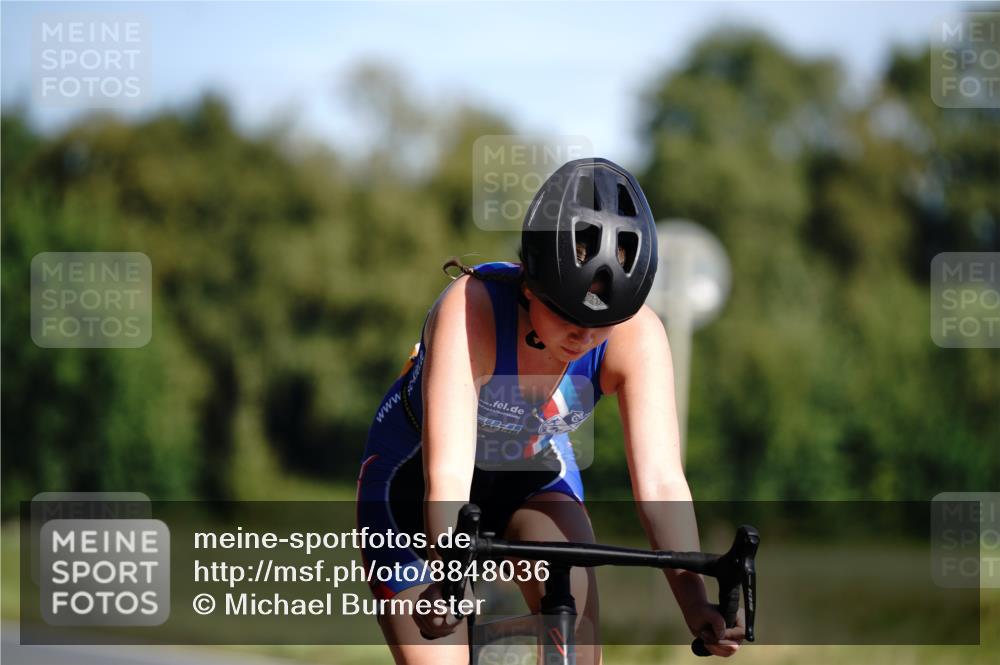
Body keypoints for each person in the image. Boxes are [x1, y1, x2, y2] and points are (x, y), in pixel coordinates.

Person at [356, 157, 745, 664]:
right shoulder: (471, 309)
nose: (583, 337)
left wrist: (695, 602)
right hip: (412, 484)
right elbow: (447, 474)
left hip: (531, 475)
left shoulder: (639, 336)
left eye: (604, 322)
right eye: (568, 314)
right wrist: (448, 576)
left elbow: (662, 483)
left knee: (578, 643)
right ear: (531, 283)